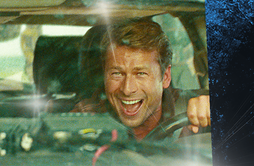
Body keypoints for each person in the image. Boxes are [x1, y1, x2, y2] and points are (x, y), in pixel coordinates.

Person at [76, 19, 210, 141]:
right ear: (104, 76)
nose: (127, 89)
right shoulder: (87, 117)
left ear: (165, 77)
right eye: (117, 73)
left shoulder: (198, 109)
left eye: (140, 73)